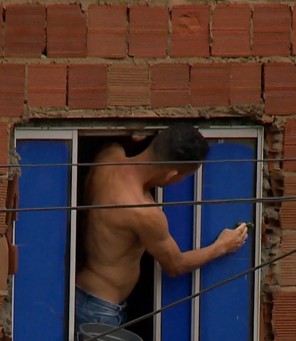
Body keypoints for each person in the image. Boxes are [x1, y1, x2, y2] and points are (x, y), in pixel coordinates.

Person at [74, 123, 249, 330]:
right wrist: (222, 246)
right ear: (171, 175)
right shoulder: (144, 213)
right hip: (100, 311)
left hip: (78, 292)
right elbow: (175, 265)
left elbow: (121, 142)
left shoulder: (108, 155)